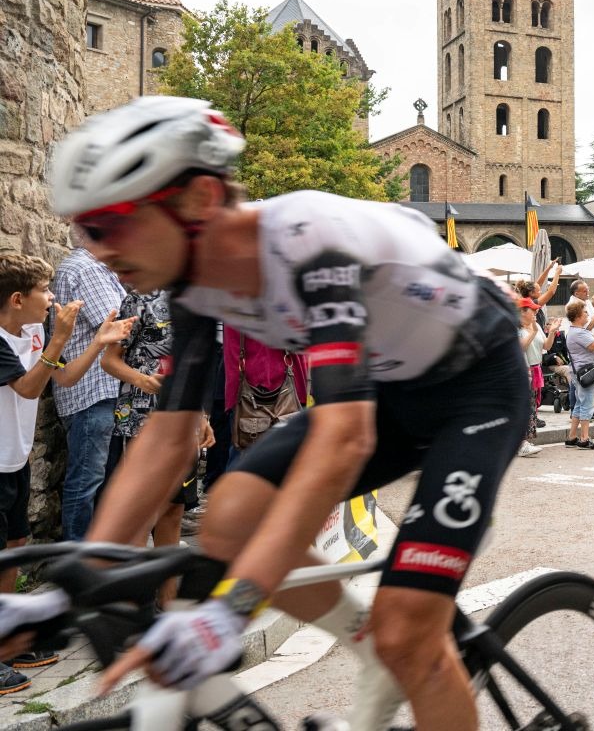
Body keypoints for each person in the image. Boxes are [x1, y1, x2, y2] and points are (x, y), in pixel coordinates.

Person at [4, 96, 533, 731]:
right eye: (84, 229)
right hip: (394, 388)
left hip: (475, 389)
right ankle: (368, 646)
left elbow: (343, 439)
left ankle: (394, 649)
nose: (96, 246)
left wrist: (231, 610)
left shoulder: (310, 243)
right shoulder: (194, 283)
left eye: (110, 222)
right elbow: (167, 440)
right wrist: (73, 585)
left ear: (198, 199)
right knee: (229, 518)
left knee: (410, 636)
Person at [0, 253, 103, 689]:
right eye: (44, 290)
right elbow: (25, 387)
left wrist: (97, 343)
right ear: (18, 298)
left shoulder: (35, 331)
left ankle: (7, 636)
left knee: (17, 542)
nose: (52, 296)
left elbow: (58, 380)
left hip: (16, 458)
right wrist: (60, 338)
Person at [99, 288, 216, 603]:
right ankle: (138, 604)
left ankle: (167, 601)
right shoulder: (137, 300)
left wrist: (201, 416)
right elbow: (108, 361)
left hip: (183, 420)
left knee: (175, 509)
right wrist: (141, 380)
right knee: (143, 514)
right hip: (142, 420)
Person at [50, 241, 129, 540]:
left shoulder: (98, 269)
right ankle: (79, 561)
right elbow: (123, 327)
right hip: (91, 393)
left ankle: (93, 556)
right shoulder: (88, 269)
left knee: (98, 479)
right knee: (87, 481)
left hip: (97, 391)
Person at [564, 299, 594, 450]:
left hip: (579, 372)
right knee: (587, 405)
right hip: (585, 373)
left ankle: (572, 436)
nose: (587, 315)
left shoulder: (577, 331)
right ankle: (584, 438)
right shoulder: (579, 333)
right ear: (578, 315)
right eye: (585, 312)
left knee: (579, 403)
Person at [516, 298, 557, 457]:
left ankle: (524, 441)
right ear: (521, 312)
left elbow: (546, 346)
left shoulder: (537, 325)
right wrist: (532, 332)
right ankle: (521, 443)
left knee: (533, 406)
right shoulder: (516, 328)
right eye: (532, 310)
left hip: (535, 368)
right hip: (523, 370)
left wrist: (552, 332)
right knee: (525, 407)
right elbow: (521, 347)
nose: (536, 312)